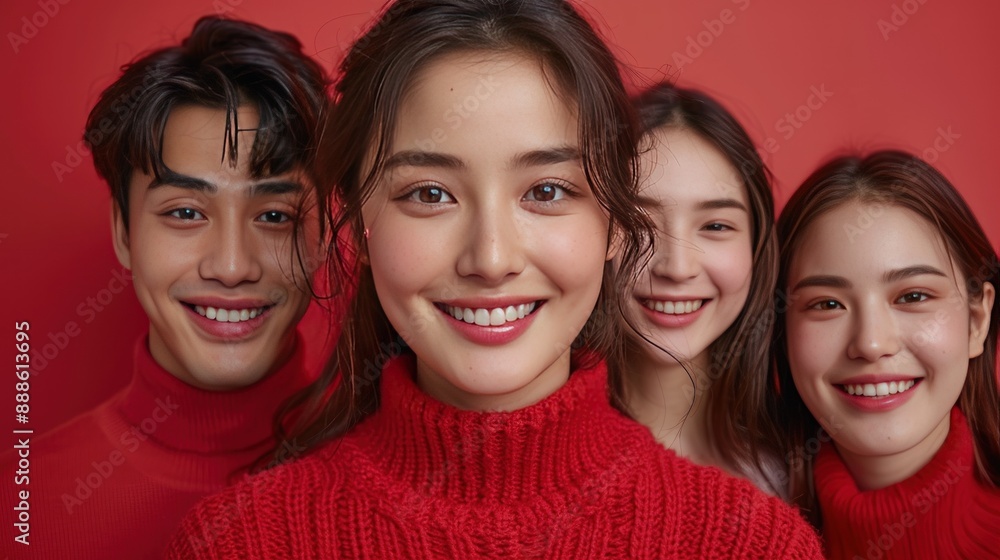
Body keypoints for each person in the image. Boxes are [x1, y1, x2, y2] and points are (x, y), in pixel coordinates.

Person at [168, 2, 822, 558]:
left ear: (616, 224)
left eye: (545, 189)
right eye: (428, 193)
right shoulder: (243, 542)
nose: (490, 257)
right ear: (357, 218)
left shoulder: (750, 544)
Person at [0, 16, 328, 559]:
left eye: (273, 214)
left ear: (322, 234)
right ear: (124, 232)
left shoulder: (400, 467)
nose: (230, 266)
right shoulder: (22, 506)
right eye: (184, 211)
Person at [773, 150, 1000, 558]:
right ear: (780, 332)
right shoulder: (738, 534)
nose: (872, 344)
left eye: (913, 296)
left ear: (977, 320)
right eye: (826, 304)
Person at [619, 83, 785, 496]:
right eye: (641, 225)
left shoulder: (805, 469)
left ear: (756, 247)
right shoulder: (539, 459)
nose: (677, 267)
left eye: (715, 226)